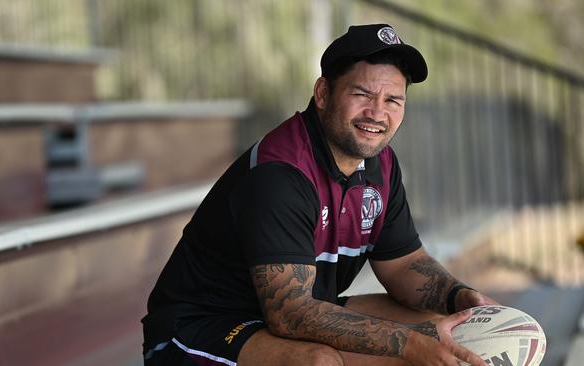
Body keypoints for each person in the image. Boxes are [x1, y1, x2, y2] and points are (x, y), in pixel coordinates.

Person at [142, 24, 497, 366]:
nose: (377, 113)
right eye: (362, 94)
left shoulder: (380, 164)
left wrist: (460, 297)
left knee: (440, 324)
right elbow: (290, 312)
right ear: (323, 93)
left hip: (291, 315)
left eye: (393, 100)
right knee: (318, 362)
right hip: (202, 327)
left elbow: (403, 265)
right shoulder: (280, 172)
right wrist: (407, 343)